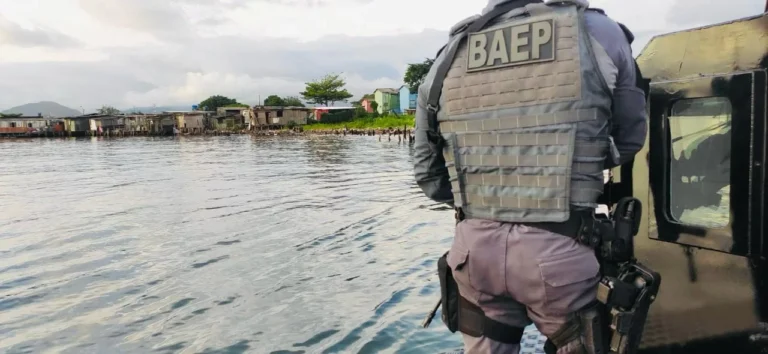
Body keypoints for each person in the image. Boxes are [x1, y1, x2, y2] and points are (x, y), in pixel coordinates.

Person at [413, 0, 647, 353]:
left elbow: (428, 175)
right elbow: (629, 139)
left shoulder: (451, 52)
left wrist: (486, 200)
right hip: (561, 253)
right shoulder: (598, 31)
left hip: (473, 252)